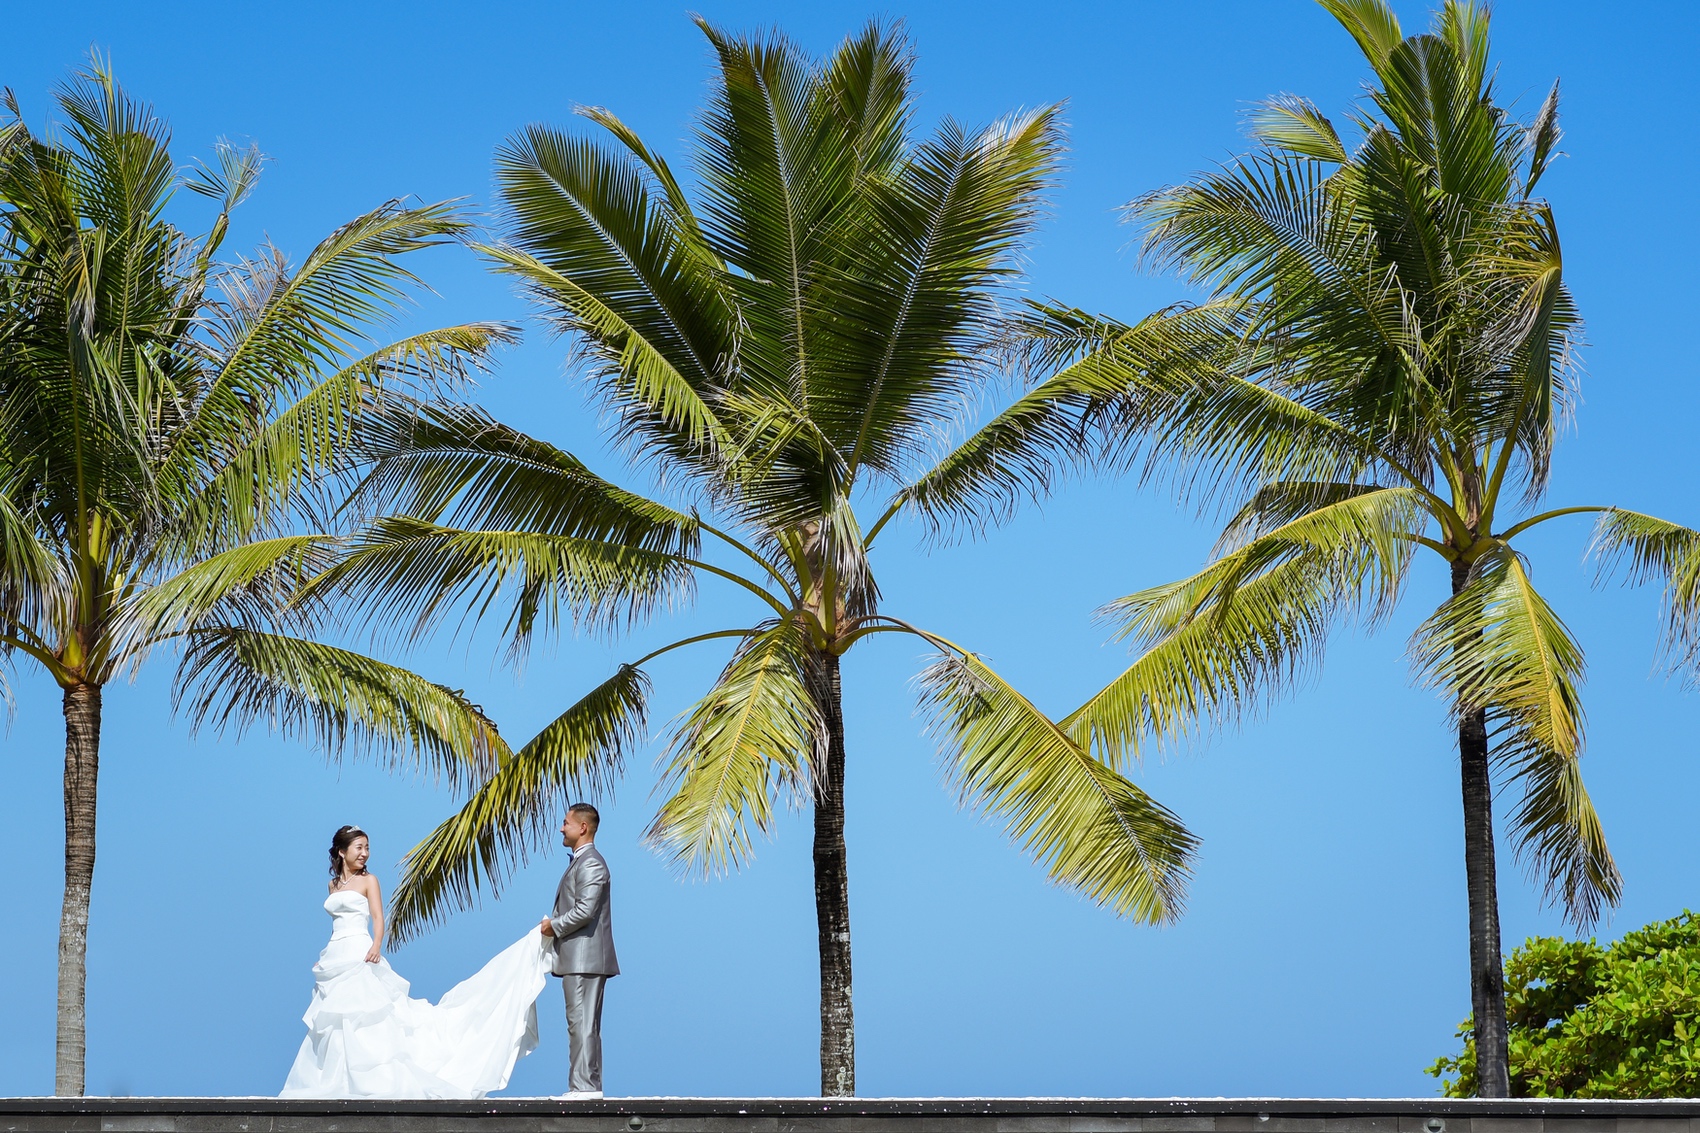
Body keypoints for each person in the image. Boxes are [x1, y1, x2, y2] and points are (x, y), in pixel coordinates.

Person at [280, 826, 552, 1099]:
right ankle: (339, 1080)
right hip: (337, 954)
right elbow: (336, 925)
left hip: (361, 951)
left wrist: (376, 945)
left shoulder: (369, 880)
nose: (364, 853)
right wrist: (327, 955)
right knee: (334, 1019)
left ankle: (374, 1079)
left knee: (364, 1013)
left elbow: (378, 917)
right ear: (341, 851)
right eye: (358, 848)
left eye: (367, 847)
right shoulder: (332, 885)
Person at [540, 804, 619, 1100]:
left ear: (582, 827)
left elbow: (585, 910)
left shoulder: (591, 864)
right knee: (579, 1023)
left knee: (583, 1023)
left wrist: (553, 926)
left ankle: (585, 1088)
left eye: (566, 823)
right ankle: (583, 1084)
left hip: (585, 959)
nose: (561, 828)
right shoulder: (581, 863)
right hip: (579, 958)